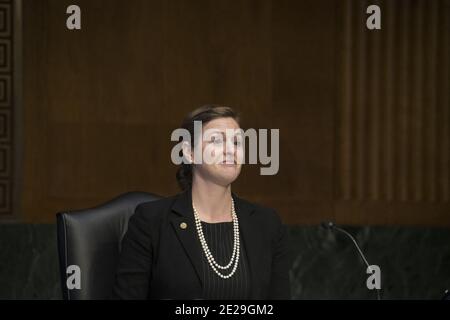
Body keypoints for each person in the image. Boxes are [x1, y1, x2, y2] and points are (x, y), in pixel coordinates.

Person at [112, 105, 292, 299]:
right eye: (216, 140)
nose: (230, 150)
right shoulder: (151, 222)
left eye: (237, 142)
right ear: (190, 153)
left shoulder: (266, 223)